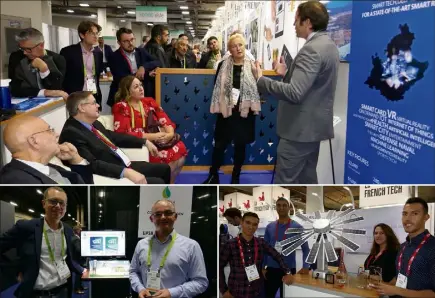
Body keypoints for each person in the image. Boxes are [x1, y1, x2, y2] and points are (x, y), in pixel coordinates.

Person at [252, 1, 339, 184]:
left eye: (296, 20)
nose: (293, 24)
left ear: (308, 22)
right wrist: (286, 73)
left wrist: (261, 80)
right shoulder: (328, 45)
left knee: (284, 186)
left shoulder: (312, 50)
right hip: (311, 132)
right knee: (306, 182)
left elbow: (295, 93)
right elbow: (311, 86)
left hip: (298, 133)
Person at [59, 91, 171, 184]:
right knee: (158, 182)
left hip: (122, 162)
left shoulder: (93, 123)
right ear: (82, 108)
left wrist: (144, 141)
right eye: (93, 103)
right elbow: (92, 164)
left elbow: (113, 137)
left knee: (165, 169)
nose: (98, 105)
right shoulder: (72, 133)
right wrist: (125, 172)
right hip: (112, 171)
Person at [0, 187, 87, 298]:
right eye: (53, 201)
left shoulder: (67, 229)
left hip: (63, 291)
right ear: (44, 203)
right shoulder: (26, 227)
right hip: (36, 294)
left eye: (62, 203)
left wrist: (82, 269)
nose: (58, 206)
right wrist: (15, 271)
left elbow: (67, 258)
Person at [204, 33, 261, 184]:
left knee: (240, 146)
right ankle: (213, 175)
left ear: (244, 46)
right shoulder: (223, 65)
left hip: (245, 113)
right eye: (234, 46)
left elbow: (259, 85)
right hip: (226, 112)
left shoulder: (252, 65)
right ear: (229, 49)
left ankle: (236, 176)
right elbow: (217, 86)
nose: (238, 48)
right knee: (219, 145)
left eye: (240, 45)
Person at [112, 76, 187, 183]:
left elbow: (164, 119)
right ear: (127, 91)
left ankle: (170, 183)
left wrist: (170, 134)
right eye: (136, 87)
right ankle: (162, 183)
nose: (141, 88)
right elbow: (123, 133)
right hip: (143, 142)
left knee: (180, 148)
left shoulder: (149, 102)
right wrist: (154, 136)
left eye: (141, 85)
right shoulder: (121, 107)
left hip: (159, 140)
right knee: (163, 156)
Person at [129, 200, 208, 297]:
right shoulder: (141, 244)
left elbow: (201, 282)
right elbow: (133, 272)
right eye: (158, 214)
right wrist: (140, 289)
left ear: (175, 217)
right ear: (151, 218)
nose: (163, 217)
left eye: (168, 213)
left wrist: (172, 293)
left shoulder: (191, 246)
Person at [219, 212, 294, 298]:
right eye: (248, 223)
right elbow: (219, 266)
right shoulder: (230, 244)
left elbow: (277, 256)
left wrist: (288, 272)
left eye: (254, 224)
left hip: (257, 291)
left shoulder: (261, 242)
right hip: (237, 291)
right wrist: (224, 290)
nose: (251, 227)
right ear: (242, 223)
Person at [0, 115, 93, 184]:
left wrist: (75, 159)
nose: (56, 134)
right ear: (34, 141)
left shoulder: (46, 166)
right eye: (50, 130)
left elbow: (85, 189)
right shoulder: (17, 181)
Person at [373, 197, 435, 297]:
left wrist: (396, 291)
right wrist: (384, 286)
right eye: (404, 214)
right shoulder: (403, 247)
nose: (407, 219)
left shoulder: (432, 247)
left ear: (426, 217)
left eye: (415, 213)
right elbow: (399, 277)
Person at [263, 197, 310, 298]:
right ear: (276, 207)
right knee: (269, 295)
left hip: (288, 270)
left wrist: (306, 266)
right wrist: (262, 266)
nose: (281, 208)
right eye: (279, 205)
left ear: (289, 208)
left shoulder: (297, 227)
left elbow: (306, 249)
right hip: (271, 269)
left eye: (284, 205)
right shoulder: (270, 227)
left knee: (287, 295)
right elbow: (265, 249)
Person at [9, 28, 67, 99]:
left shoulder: (58, 59)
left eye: (28, 49)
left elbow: (57, 88)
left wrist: (44, 70)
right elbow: (15, 89)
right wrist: (44, 92)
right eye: (22, 49)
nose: (24, 53)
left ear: (41, 45)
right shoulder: (16, 57)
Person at [107, 28, 160, 106]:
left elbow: (157, 62)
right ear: (119, 42)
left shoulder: (141, 51)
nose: (130, 43)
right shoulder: (114, 57)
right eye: (126, 41)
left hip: (139, 97)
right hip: (122, 97)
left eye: (132, 39)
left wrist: (143, 67)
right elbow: (122, 78)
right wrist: (146, 74)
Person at [60, 21, 104, 107]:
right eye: (91, 33)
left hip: (92, 94)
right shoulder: (68, 52)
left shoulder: (98, 53)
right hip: (75, 95)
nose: (95, 36)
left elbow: (97, 75)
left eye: (97, 33)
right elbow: (62, 76)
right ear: (82, 35)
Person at [144, 24, 170, 98]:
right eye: (166, 35)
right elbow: (162, 69)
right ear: (159, 37)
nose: (168, 38)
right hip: (155, 88)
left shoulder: (149, 46)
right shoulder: (156, 49)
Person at [71, 225, 87, 294]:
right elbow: (78, 249)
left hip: (77, 259)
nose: (81, 231)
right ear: (77, 231)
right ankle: (77, 289)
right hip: (76, 260)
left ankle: (80, 286)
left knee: (80, 275)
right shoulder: (76, 239)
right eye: (80, 230)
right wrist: (85, 250)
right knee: (78, 275)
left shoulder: (75, 238)